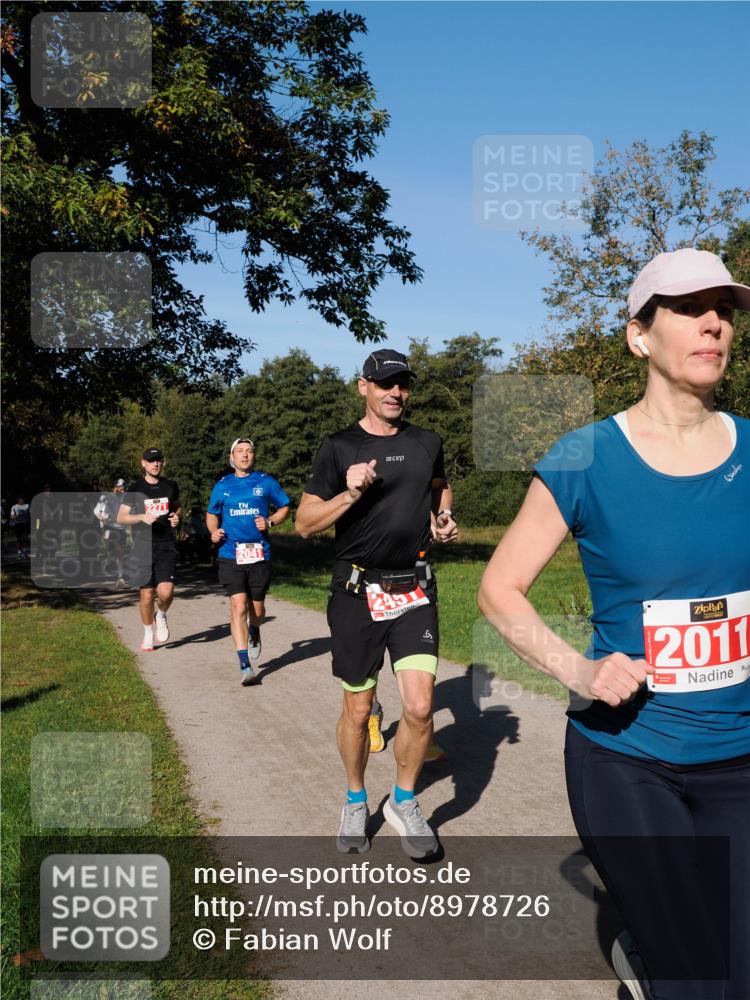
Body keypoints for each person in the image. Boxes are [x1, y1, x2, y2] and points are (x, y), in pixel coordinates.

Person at [478, 248, 750, 1000]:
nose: (714, 325)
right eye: (690, 309)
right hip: (628, 756)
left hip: (740, 757)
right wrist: (579, 671)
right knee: (702, 980)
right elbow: (499, 589)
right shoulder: (586, 457)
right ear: (639, 336)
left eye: (724, 311)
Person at [296, 348, 458, 858]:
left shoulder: (426, 441)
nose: (396, 392)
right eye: (385, 383)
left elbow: (440, 486)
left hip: (414, 588)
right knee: (360, 706)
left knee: (420, 704)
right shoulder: (338, 447)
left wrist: (443, 516)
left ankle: (404, 802)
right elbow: (304, 523)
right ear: (362, 386)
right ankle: (355, 797)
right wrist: (349, 494)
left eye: (403, 384)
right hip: (356, 593)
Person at [206, 438, 290, 685]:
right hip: (230, 554)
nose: (244, 455)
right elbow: (212, 514)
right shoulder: (222, 486)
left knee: (257, 611)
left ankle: (255, 629)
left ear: (253, 456)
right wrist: (213, 532)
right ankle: (245, 665)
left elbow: (284, 506)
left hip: (259, 554)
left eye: (249, 451)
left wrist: (271, 522)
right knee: (238, 606)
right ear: (231, 457)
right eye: (239, 451)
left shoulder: (265, 482)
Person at [117, 448, 181, 650]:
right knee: (146, 596)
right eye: (151, 461)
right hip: (142, 547)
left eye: (159, 460)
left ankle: (160, 614)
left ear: (163, 463)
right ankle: (147, 633)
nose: (156, 464)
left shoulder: (170, 486)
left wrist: (176, 517)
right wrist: (141, 517)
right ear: (143, 463)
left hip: (165, 545)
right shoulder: (135, 489)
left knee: (166, 592)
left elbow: (177, 507)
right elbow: (121, 517)